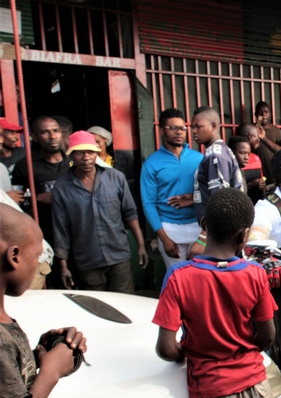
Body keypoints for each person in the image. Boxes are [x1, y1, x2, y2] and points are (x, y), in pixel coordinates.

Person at [153, 188, 279, 398]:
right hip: (255, 384)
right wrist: (244, 347)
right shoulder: (254, 274)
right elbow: (267, 335)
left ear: (203, 224)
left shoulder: (178, 276)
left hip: (210, 393)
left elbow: (166, 348)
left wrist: (188, 352)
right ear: (244, 234)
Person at [0, 204, 87, 398]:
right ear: (13, 256)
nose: (39, 266)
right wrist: (49, 371)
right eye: (37, 257)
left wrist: (38, 357)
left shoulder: (4, 321)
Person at [53, 131, 148, 292]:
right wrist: (63, 265)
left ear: (97, 153)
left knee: (125, 302)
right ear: (71, 156)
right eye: (79, 153)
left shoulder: (116, 177)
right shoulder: (62, 187)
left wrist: (141, 246)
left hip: (118, 255)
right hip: (87, 259)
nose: (86, 157)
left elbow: (130, 213)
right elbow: (60, 229)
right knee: (98, 307)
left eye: (90, 152)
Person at [140, 109, 202, 269]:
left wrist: (193, 198)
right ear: (161, 131)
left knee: (201, 278)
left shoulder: (199, 158)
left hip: (199, 226)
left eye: (182, 128)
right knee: (178, 281)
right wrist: (163, 237)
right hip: (169, 228)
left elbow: (210, 193)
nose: (179, 132)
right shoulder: (152, 164)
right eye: (173, 128)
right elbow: (148, 203)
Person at [11, 117, 68, 289]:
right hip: (44, 232)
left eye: (56, 131)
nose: (52, 136)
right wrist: (36, 199)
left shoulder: (74, 161)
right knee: (52, 281)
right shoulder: (24, 166)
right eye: (45, 132)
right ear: (35, 137)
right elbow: (15, 200)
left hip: (75, 233)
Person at [189, 106, 244, 259]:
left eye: (198, 126)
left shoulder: (215, 155)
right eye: (192, 127)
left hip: (218, 235)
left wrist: (204, 237)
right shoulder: (220, 151)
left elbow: (222, 200)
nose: (194, 131)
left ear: (213, 126)